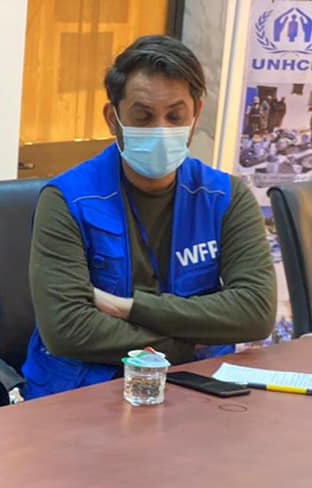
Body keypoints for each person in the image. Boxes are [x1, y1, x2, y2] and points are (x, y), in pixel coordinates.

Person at [23, 36, 275, 399]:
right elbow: (67, 328)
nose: (160, 130)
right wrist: (187, 342)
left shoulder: (226, 197)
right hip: (86, 390)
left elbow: (255, 311)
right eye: (142, 117)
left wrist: (130, 308)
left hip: (198, 390)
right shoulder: (66, 200)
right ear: (113, 119)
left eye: (175, 116)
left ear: (196, 114)